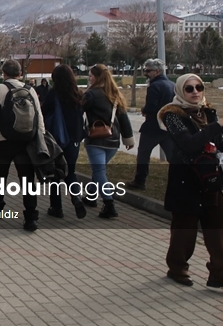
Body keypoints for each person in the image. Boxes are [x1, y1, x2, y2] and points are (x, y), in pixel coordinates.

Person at [158, 74, 223, 289]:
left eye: (199, 87)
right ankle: (177, 268)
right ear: (180, 91)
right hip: (186, 179)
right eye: (189, 89)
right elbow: (188, 143)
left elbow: (213, 143)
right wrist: (215, 127)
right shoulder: (172, 114)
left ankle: (221, 273)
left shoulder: (207, 111)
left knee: (221, 223)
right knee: (184, 228)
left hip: (210, 177)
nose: (195, 92)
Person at [0, 59, 43, 232]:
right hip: (27, 142)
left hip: (4, 142)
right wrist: (41, 139)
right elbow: (39, 116)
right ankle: (30, 217)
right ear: (20, 73)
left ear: (3, 73)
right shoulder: (31, 89)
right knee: (27, 181)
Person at [82, 64, 135, 219]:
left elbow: (79, 111)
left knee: (99, 171)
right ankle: (91, 197)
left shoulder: (91, 94)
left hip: (96, 138)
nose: (89, 79)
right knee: (99, 170)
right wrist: (128, 138)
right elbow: (123, 118)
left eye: (90, 76)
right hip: (113, 139)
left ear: (97, 77)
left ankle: (109, 204)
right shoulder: (115, 93)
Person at [41, 65, 86, 218]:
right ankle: (76, 197)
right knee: (70, 172)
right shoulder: (78, 94)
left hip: (56, 139)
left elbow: (43, 112)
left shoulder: (53, 94)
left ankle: (56, 207)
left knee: (55, 173)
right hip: (74, 140)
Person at [131, 58, 176, 189]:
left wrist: (144, 110)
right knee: (172, 157)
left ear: (157, 72)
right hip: (168, 127)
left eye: (148, 70)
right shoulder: (172, 85)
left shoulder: (154, 86)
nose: (145, 73)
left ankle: (140, 180)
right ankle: (181, 179)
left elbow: (152, 106)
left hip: (152, 127)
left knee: (143, 154)